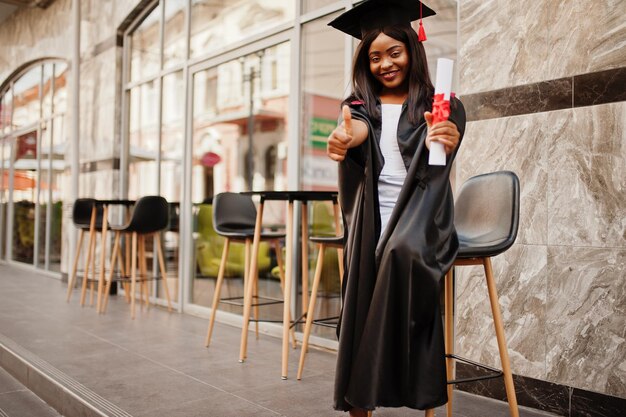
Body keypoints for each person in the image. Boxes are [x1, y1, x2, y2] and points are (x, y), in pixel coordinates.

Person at [326, 1, 466, 416]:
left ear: (412, 50)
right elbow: (355, 132)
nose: (384, 63)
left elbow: (441, 142)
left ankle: (364, 391)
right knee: (370, 260)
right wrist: (342, 139)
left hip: (423, 217)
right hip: (371, 218)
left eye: (394, 52)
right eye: (374, 56)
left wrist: (446, 135)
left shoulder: (440, 102)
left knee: (399, 251)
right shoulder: (356, 107)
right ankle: (361, 403)